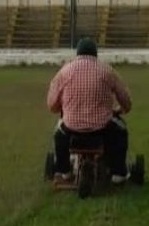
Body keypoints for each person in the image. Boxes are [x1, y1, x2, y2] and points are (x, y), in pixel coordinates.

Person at [46, 38, 132, 184]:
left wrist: (64, 108)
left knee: (59, 133)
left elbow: (51, 105)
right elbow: (125, 101)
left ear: (77, 53)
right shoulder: (107, 71)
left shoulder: (65, 71)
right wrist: (121, 109)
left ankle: (64, 171)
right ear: (95, 53)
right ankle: (118, 173)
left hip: (71, 128)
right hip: (102, 128)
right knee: (121, 131)